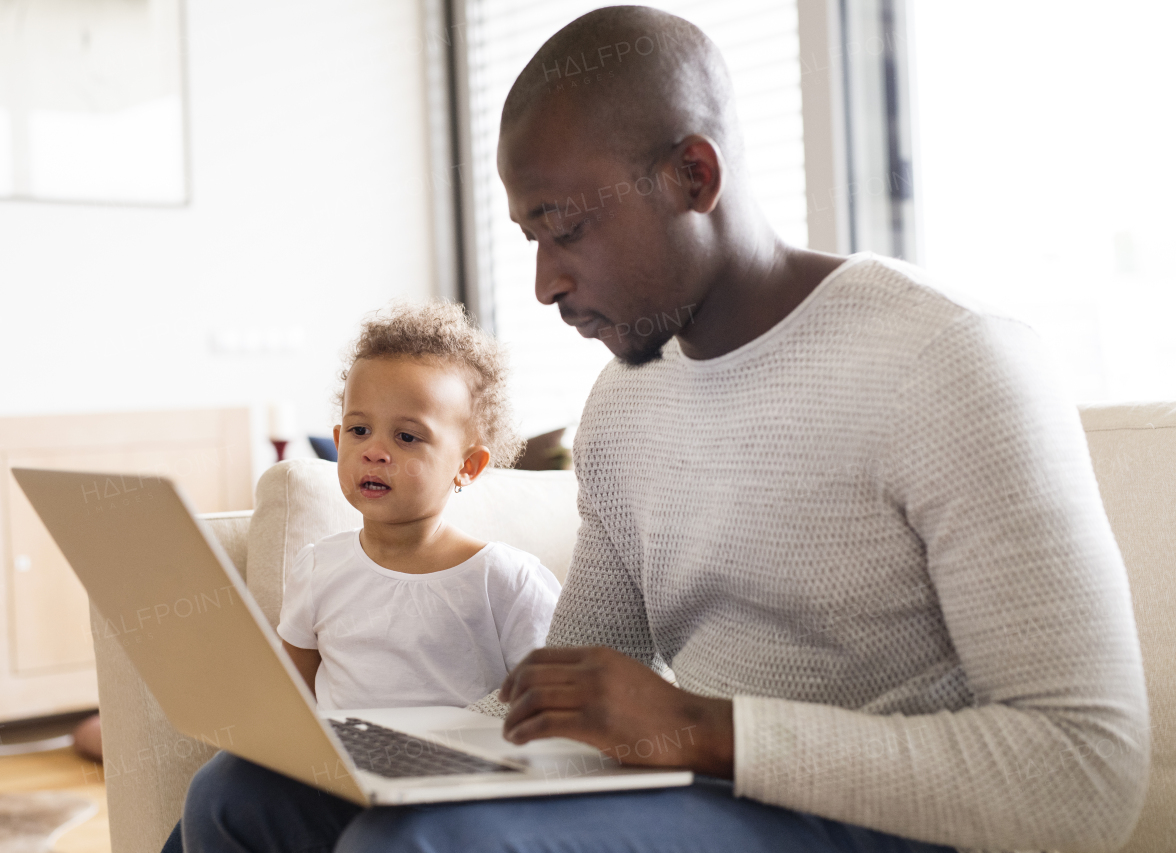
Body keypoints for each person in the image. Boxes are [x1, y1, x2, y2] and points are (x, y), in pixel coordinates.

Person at [172, 6, 1150, 853]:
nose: (545, 284)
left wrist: (701, 728)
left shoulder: (949, 363)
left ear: (692, 174)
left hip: (888, 825)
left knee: (428, 842)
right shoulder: (626, 404)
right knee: (242, 794)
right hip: (707, 792)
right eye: (530, 240)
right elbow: (570, 681)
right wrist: (392, 752)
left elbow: (1085, 768)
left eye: (566, 230)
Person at [165, 301, 561, 851]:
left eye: (407, 437)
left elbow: (552, 706)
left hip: (451, 789)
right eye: (359, 429)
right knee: (219, 788)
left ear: (467, 466)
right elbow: (289, 692)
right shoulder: (320, 565)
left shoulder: (506, 579)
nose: (374, 452)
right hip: (337, 779)